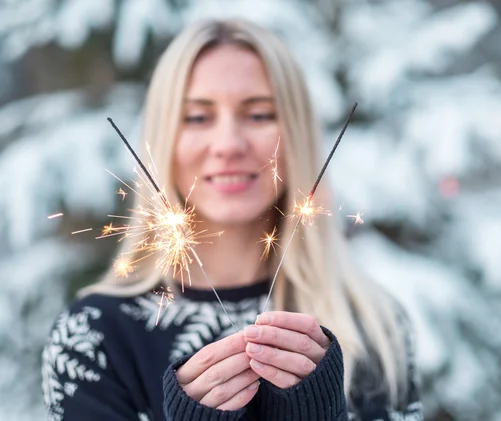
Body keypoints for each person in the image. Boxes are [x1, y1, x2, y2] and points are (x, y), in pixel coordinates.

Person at [41, 18, 423, 421]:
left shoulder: (374, 327)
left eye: (259, 115)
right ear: (163, 137)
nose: (228, 145)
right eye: (197, 118)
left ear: (296, 136)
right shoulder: (93, 337)